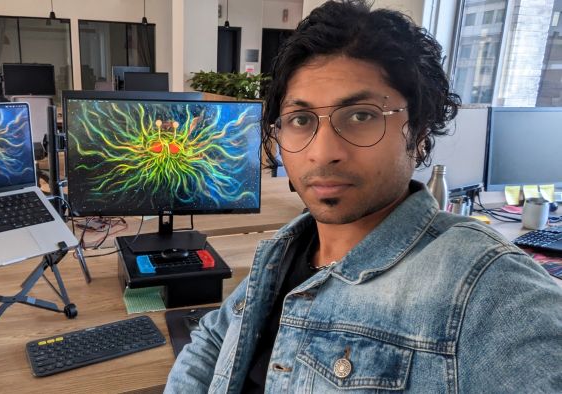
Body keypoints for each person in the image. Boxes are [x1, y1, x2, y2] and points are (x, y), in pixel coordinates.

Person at [165, 0, 562, 392]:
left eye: (360, 116)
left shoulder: (488, 287)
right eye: (301, 120)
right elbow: (214, 337)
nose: (322, 152)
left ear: (420, 134)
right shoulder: (285, 248)